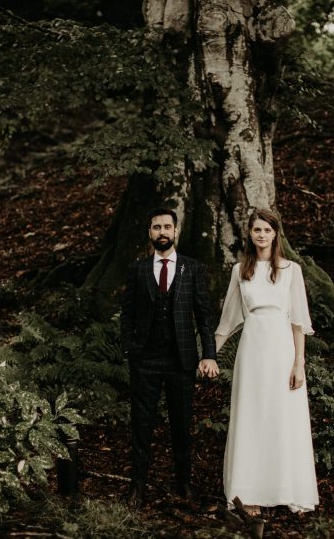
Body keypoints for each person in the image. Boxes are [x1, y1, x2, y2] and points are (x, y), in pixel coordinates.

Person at [215, 208, 319, 515]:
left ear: (276, 234)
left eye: (267, 230)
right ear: (249, 234)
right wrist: (209, 353)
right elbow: (227, 322)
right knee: (252, 415)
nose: (262, 235)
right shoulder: (240, 271)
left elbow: (298, 322)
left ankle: (290, 489)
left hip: (282, 349)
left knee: (284, 417)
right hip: (252, 349)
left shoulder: (291, 270)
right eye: (257, 230)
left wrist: (299, 363)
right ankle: (248, 493)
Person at [120, 207, 219, 508]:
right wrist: (129, 349)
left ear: (176, 231)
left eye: (167, 227)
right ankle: (138, 486)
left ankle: (184, 483)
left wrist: (209, 354)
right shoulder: (137, 269)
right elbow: (127, 315)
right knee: (141, 425)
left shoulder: (193, 269)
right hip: (145, 361)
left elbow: (204, 316)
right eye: (156, 227)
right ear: (149, 232)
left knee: (181, 424)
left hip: (182, 361)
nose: (162, 232)